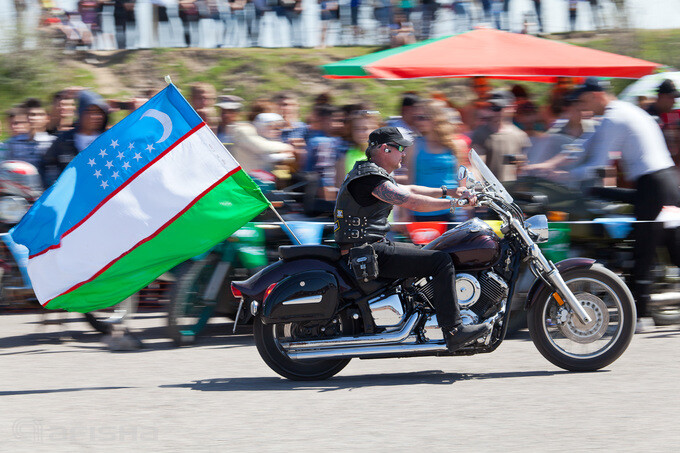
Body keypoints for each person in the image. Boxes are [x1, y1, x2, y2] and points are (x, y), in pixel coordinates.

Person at [534, 77, 680, 331]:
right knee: (673, 248)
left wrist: (564, 177)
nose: (582, 105)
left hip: (654, 183)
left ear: (597, 95)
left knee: (643, 249)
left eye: (584, 99)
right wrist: (546, 166)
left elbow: (596, 163)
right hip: (659, 181)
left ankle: (639, 318)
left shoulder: (615, 117)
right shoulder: (615, 113)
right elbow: (580, 148)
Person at [333, 126, 490, 351]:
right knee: (441, 260)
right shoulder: (369, 177)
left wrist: (450, 191)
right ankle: (454, 330)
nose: (404, 154)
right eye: (400, 148)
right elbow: (411, 201)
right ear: (385, 149)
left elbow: (409, 188)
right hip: (369, 251)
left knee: (426, 251)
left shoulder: (370, 173)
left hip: (371, 247)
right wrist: (457, 203)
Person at [39, 90, 110, 187]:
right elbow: (45, 165)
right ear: (80, 112)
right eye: (89, 111)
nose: (95, 116)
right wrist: (53, 187)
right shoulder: (64, 140)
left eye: (99, 112)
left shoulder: (109, 141)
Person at [406, 100, 462, 222]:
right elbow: (409, 181)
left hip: (451, 209)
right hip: (422, 210)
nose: (418, 121)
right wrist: (404, 213)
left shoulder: (454, 144)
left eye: (423, 117)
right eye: (416, 117)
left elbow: (461, 178)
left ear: (436, 118)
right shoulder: (414, 145)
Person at [470, 89, 531, 182]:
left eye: (499, 107)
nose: (495, 111)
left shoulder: (520, 136)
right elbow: (477, 164)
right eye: (492, 107)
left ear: (512, 107)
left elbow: (521, 167)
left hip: (511, 191)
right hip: (489, 192)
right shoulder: (481, 133)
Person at [4, 99, 56, 171]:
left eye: (39, 115)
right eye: (30, 115)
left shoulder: (53, 142)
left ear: (47, 118)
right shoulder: (12, 143)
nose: (33, 118)